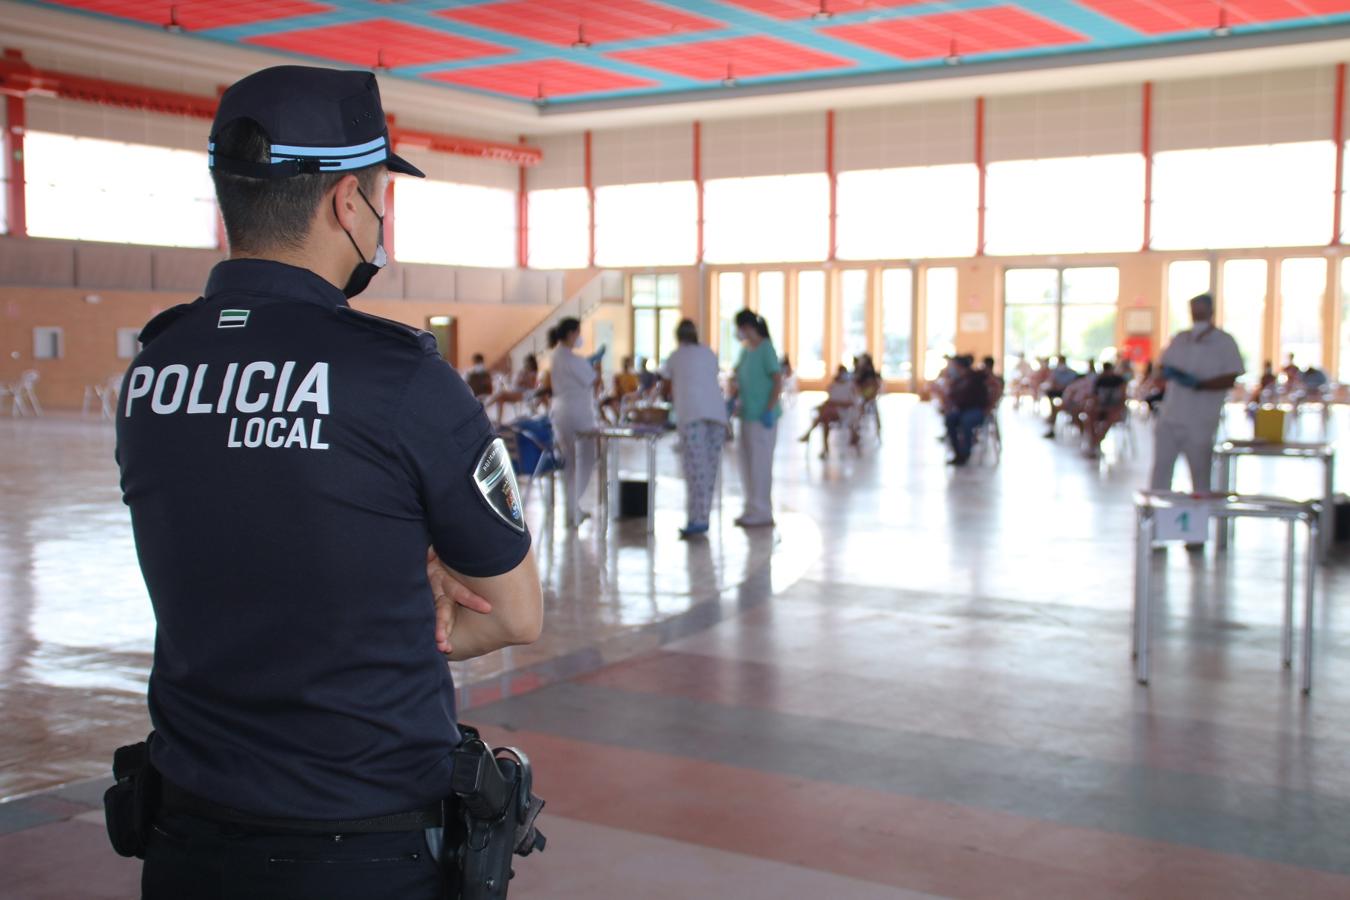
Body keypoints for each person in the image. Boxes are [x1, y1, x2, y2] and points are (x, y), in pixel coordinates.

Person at [114, 66, 543, 900]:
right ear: (348, 203)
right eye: (380, 195)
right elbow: (517, 611)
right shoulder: (402, 381)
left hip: (189, 840)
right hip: (364, 848)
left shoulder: (152, 373)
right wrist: (393, 608)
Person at [1151, 292, 1244, 495]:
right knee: (1161, 471)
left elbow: (1231, 377)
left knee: (1200, 475)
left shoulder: (1224, 342)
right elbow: (1161, 368)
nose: (1196, 314)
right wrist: (1167, 373)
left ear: (1211, 311)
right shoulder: (1180, 339)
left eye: (1201, 309)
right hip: (1170, 416)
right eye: (1194, 310)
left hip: (1201, 419)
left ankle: (1199, 519)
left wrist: (1199, 384)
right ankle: (1156, 518)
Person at [660, 320, 728, 538]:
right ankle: (702, 518)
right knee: (709, 468)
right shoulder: (708, 352)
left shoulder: (675, 356)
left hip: (692, 416)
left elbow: (666, 386)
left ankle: (696, 519)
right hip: (717, 415)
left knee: (695, 468)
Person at [729, 309, 781, 527]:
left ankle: (763, 511)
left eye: (739, 328)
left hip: (763, 417)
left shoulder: (766, 349)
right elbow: (737, 376)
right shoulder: (745, 351)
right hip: (746, 415)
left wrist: (768, 409)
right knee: (747, 463)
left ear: (748, 327)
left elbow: (777, 381)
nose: (738, 333)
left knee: (761, 464)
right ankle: (750, 507)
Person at [549, 317, 600, 527]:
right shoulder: (570, 359)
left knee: (571, 463)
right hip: (577, 415)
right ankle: (572, 510)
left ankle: (573, 510)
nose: (579, 337)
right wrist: (595, 365)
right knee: (584, 460)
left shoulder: (558, 356)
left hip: (562, 414)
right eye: (578, 333)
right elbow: (592, 380)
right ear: (571, 334)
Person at [799, 365, 857, 458]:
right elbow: (830, 399)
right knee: (826, 419)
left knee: (825, 414)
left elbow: (852, 403)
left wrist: (836, 403)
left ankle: (810, 433)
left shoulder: (850, 386)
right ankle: (825, 449)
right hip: (831, 412)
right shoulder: (833, 385)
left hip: (843, 413)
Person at [944, 355, 988, 466]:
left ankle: (965, 453)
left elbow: (995, 386)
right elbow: (951, 397)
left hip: (977, 410)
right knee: (950, 418)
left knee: (966, 420)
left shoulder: (976, 377)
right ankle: (958, 453)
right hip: (962, 410)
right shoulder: (957, 379)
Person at [1085, 361, 1127, 458]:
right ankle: (1094, 440)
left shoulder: (1119, 381)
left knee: (1111, 417)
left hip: (1115, 408)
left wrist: (1117, 408)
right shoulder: (1099, 380)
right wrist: (1096, 407)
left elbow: (1123, 398)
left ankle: (1096, 442)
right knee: (1090, 416)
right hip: (1102, 407)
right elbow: (1094, 397)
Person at [488, 353, 539, 425]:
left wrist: (524, 380)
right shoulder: (524, 371)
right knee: (500, 398)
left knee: (501, 394)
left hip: (524, 394)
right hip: (517, 391)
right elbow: (517, 381)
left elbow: (532, 386)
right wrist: (521, 378)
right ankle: (498, 421)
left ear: (531, 363)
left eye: (527, 362)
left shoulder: (532, 373)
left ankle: (486, 405)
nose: (526, 364)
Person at [600, 355, 640, 424]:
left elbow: (635, 390)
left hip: (629, 399)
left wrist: (629, 397)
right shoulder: (618, 376)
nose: (626, 365)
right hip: (619, 398)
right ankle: (614, 421)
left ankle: (623, 419)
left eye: (628, 363)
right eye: (625, 363)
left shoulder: (633, 377)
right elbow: (615, 388)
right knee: (607, 405)